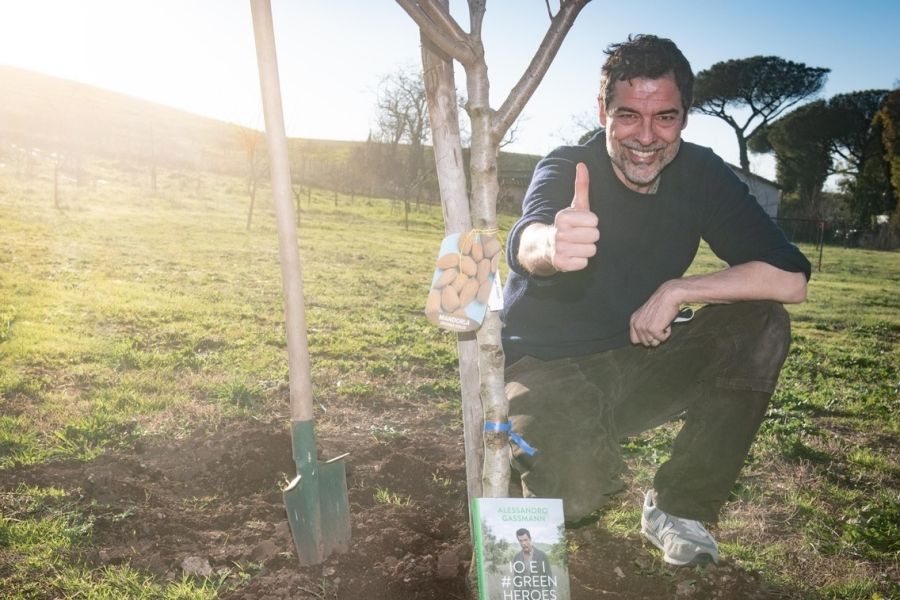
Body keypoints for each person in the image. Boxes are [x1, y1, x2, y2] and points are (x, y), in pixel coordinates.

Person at [501, 34, 811, 567]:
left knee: (762, 323)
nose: (645, 137)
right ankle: (524, 444)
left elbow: (791, 279)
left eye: (664, 117)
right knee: (576, 497)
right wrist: (552, 244)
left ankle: (679, 509)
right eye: (627, 116)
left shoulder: (702, 174)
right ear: (602, 111)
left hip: (638, 358)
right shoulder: (567, 166)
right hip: (545, 366)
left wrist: (680, 289)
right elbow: (528, 238)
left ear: (685, 116)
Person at [512, 528, 554, 594]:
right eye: (520, 541)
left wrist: (546, 596)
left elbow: (549, 579)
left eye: (525, 540)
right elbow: (516, 581)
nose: (523, 543)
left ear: (530, 539)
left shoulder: (542, 555)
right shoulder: (516, 557)